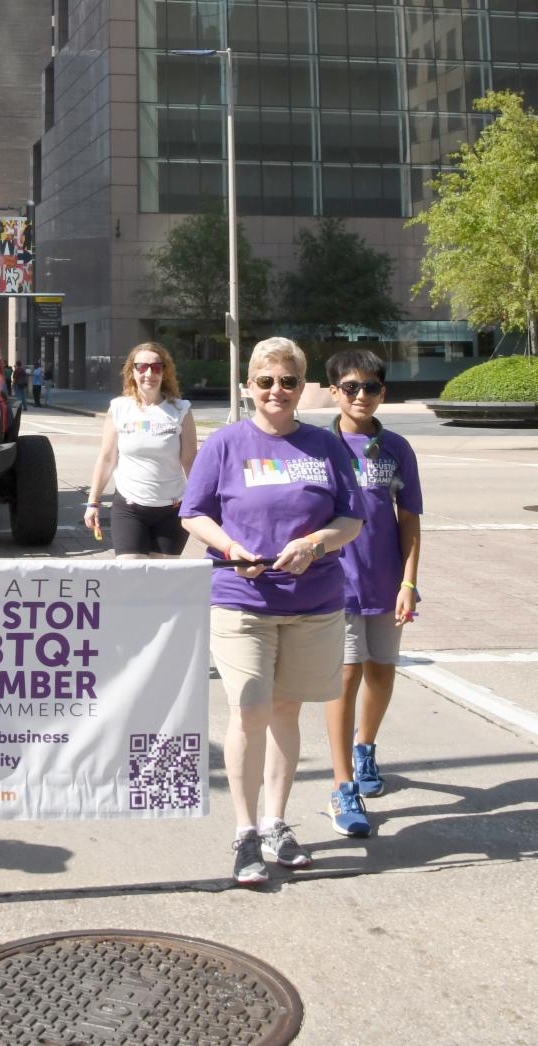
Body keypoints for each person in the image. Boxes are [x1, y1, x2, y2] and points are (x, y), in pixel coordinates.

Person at [179, 337, 364, 885]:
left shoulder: (325, 446)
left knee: (287, 710)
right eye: (265, 381)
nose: (276, 391)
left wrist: (315, 543)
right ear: (248, 387)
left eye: (287, 381)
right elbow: (193, 513)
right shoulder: (225, 443)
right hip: (242, 600)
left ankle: (275, 823)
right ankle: (244, 832)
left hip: (314, 603)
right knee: (250, 709)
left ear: (302, 386)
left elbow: (351, 519)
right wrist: (231, 548)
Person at [324, 348, 422, 819]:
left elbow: (410, 520)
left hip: (386, 582)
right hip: (337, 582)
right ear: (334, 392)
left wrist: (409, 583)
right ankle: (343, 780)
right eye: (350, 387)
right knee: (345, 676)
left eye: (370, 387)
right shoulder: (320, 446)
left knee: (381, 672)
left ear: (382, 392)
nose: (360, 395)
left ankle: (365, 748)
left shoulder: (397, 448)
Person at [84, 343, 197, 558]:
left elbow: (190, 460)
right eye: (142, 367)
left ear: (165, 371)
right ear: (132, 371)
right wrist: (93, 502)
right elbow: (107, 459)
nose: (149, 374)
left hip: (172, 510)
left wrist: (200, 503)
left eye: (156, 367)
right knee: (131, 572)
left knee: (163, 576)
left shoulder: (181, 409)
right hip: (129, 508)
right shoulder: (119, 408)